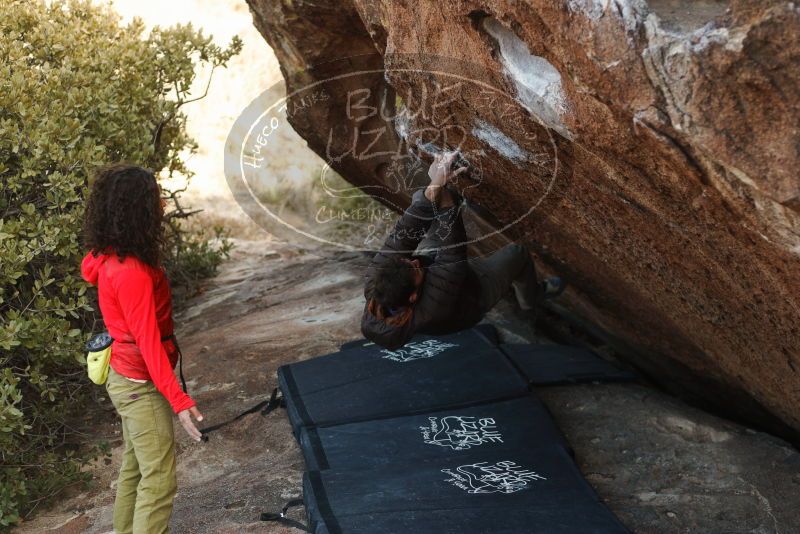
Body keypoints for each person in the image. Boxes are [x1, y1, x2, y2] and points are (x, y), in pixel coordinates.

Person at [81, 164, 204, 534]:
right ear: (138, 209)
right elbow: (149, 344)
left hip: (127, 376)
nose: (163, 204)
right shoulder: (129, 270)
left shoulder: (107, 254)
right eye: (155, 199)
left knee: (135, 469)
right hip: (138, 383)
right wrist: (180, 401)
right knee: (160, 480)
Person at [361, 151, 564, 350]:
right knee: (517, 254)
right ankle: (531, 301)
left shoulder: (375, 281)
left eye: (408, 261)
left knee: (422, 198)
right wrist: (447, 199)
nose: (414, 261)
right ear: (413, 296)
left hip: (434, 266)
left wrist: (436, 183)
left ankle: (454, 197)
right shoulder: (432, 309)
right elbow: (453, 251)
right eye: (414, 268)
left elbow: (403, 235)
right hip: (473, 294)